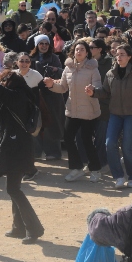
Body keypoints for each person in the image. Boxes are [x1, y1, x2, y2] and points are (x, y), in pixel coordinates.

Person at [0, 53, 44, 242]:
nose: (1, 82)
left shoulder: (16, 96)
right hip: (17, 146)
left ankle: (34, 228)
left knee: (14, 189)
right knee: (14, 187)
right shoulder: (20, 94)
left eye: (4, 80)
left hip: (17, 148)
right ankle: (19, 227)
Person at [93, 44, 132, 188]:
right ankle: (119, 177)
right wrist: (94, 93)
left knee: (127, 146)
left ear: (129, 57)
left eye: (122, 54)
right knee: (109, 144)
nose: (119, 57)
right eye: (117, 54)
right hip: (115, 114)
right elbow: (105, 92)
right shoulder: (110, 74)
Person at [44, 39, 103, 183]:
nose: (79, 52)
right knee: (68, 137)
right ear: (73, 52)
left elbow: (98, 87)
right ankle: (76, 168)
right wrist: (52, 85)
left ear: (87, 52)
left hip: (88, 110)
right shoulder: (68, 68)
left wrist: (92, 91)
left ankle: (95, 169)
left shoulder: (93, 69)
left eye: (82, 49)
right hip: (72, 110)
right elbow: (63, 87)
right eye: (77, 49)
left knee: (86, 140)